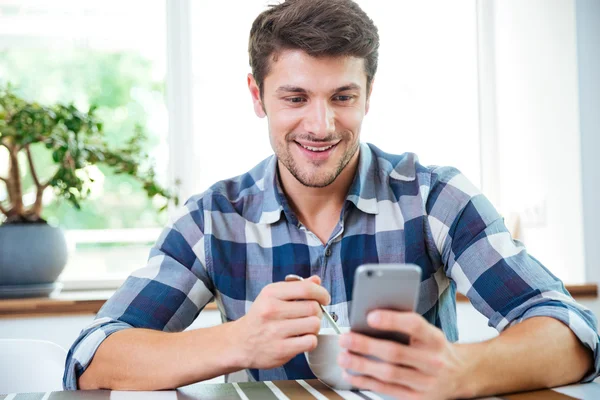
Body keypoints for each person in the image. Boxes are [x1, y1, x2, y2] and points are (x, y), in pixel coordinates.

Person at [64, 0, 598, 398]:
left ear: (369, 93)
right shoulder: (213, 219)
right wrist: (242, 343)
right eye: (295, 97)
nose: (321, 126)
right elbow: (93, 357)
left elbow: (571, 331)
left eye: (343, 97)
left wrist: (462, 369)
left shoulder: (436, 198)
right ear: (257, 95)